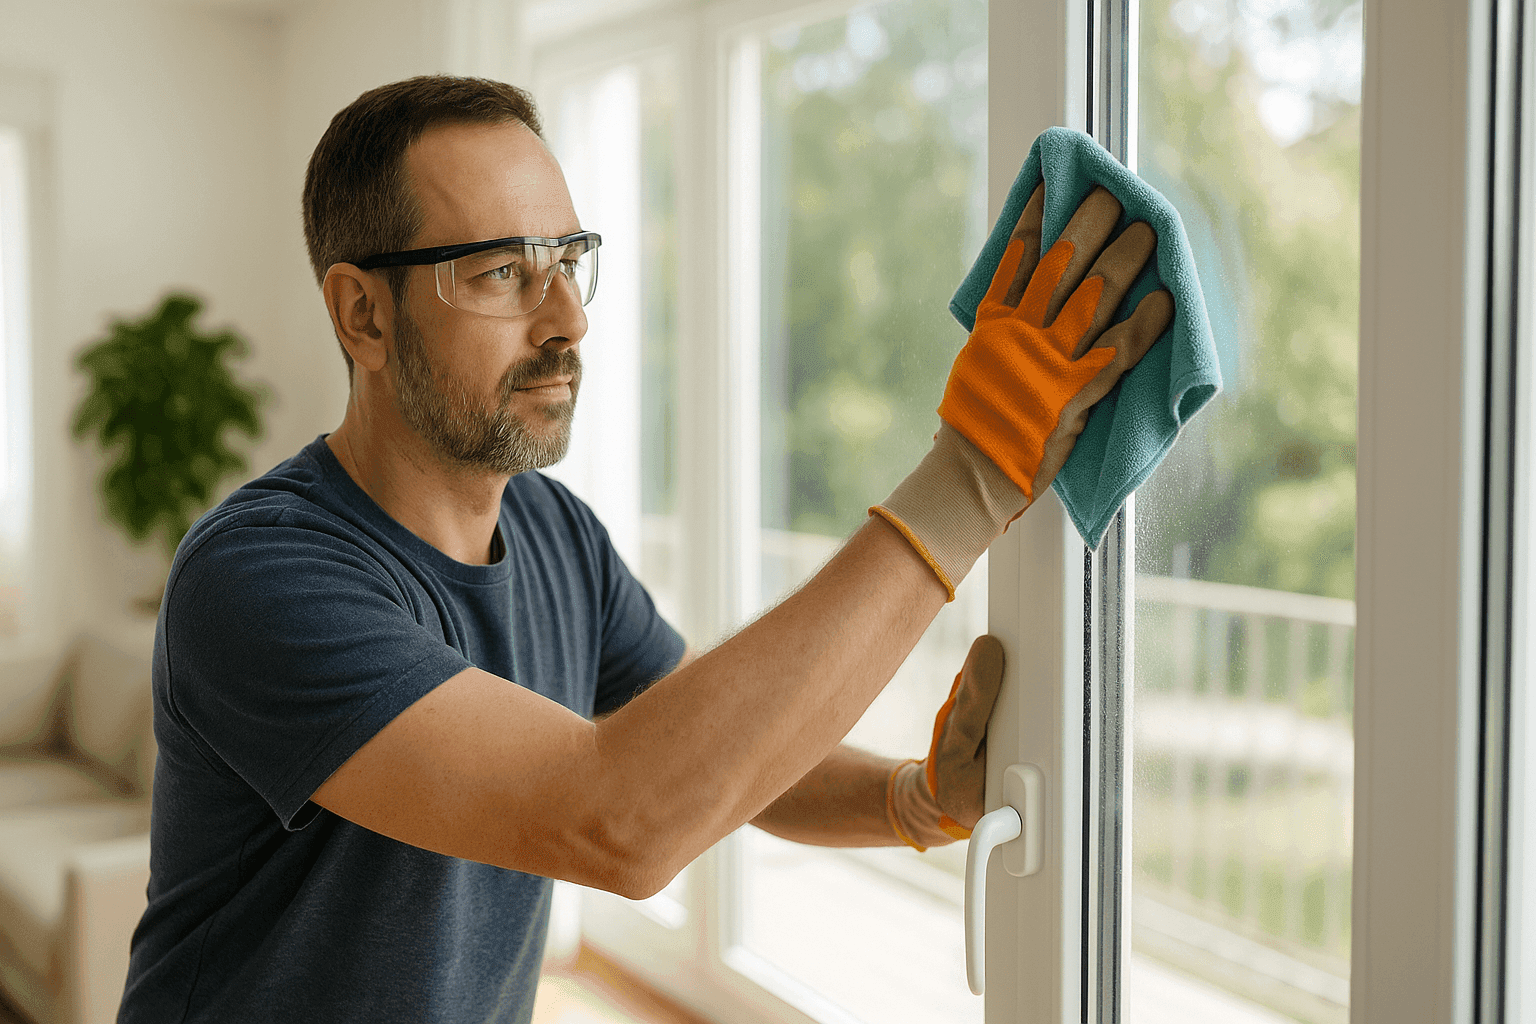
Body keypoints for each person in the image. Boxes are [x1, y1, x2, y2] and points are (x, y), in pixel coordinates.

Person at [118, 76, 1171, 1024]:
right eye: (500, 272)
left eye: (572, 259)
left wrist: (912, 801)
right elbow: (621, 817)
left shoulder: (553, 533)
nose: (567, 317)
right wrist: (971, 474)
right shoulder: (258, 578)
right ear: (363, 314)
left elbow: (718, 759)